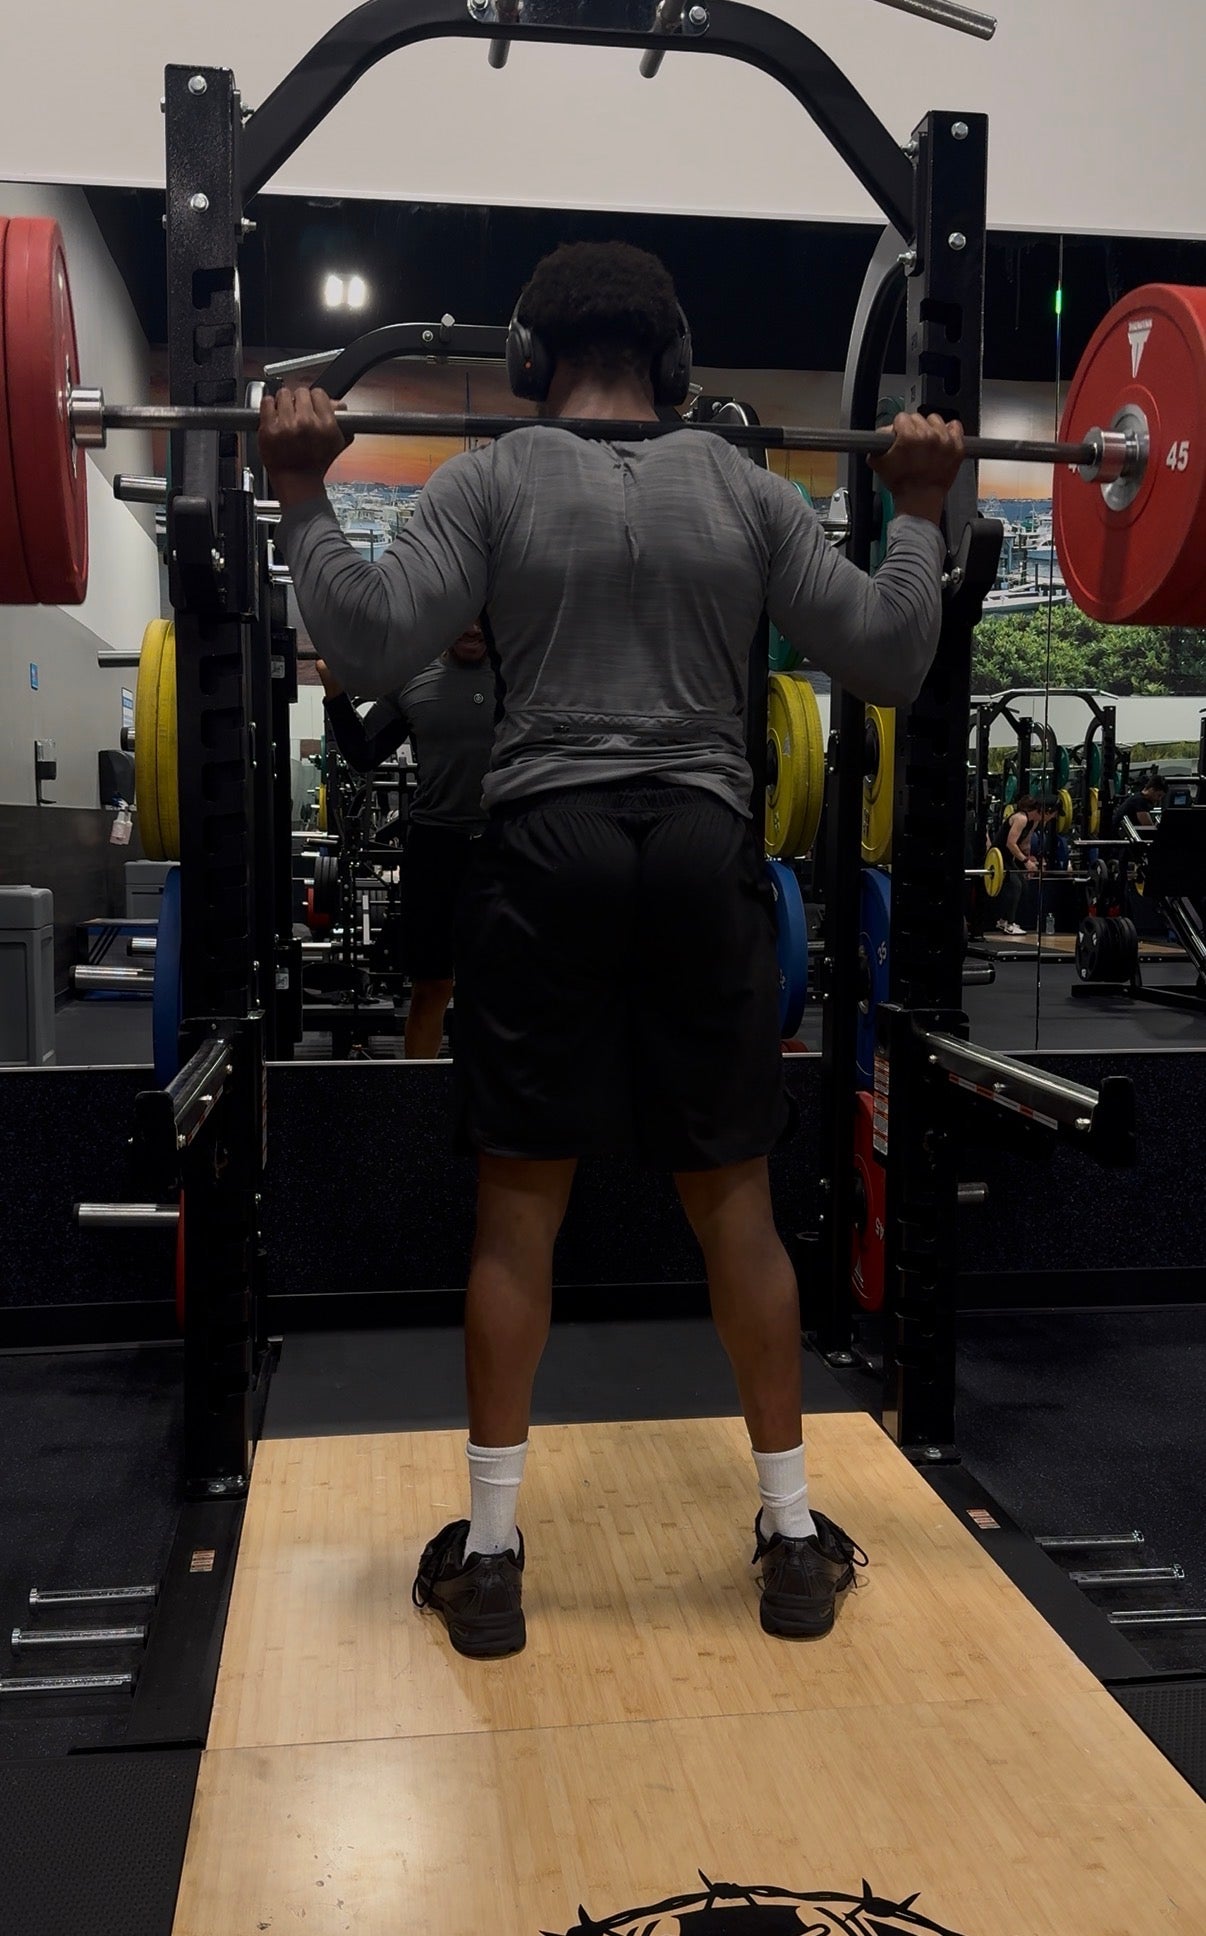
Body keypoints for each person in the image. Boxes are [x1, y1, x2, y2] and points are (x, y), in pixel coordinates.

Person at [259, 240, 964, 1660]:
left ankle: (493, 1560)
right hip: (703, 850)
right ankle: (789, 1539)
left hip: (545, 849)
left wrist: (302, 489)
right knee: (736, 1207)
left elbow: (369, 644)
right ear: (676, 365)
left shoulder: (491, 480)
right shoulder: (746, 490)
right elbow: (891, 656)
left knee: (519, 1214)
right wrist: (921, 510)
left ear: (529, 361)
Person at [317, 626, 496, 1057]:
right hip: (435, 847)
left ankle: (490, 1092)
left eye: (481, 617)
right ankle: (418, 1092)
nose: (472, 628)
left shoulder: (522, 675)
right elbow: (364, 753)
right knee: (432, 985)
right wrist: (335, 691)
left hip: (503, 844)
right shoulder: (413, 678)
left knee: (498, 986)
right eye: (464, 617)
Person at [994, 795, 1044, 936]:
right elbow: (1010, 843)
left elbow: (1025, 844)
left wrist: (1030, 859)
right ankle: (1009, 924)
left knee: (1022, 884)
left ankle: (1004, 920)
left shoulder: (1032, 822)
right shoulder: (1021, 818)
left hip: (1009, 857)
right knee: (1015, 885)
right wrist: (1026, 862)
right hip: (997, 857)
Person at [1111, 771, 1166, 835]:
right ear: (1152, 790)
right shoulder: (1140, 802)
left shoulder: (1138, 798)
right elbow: (1148, 827)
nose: (1159, 799)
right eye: (1159, 795)